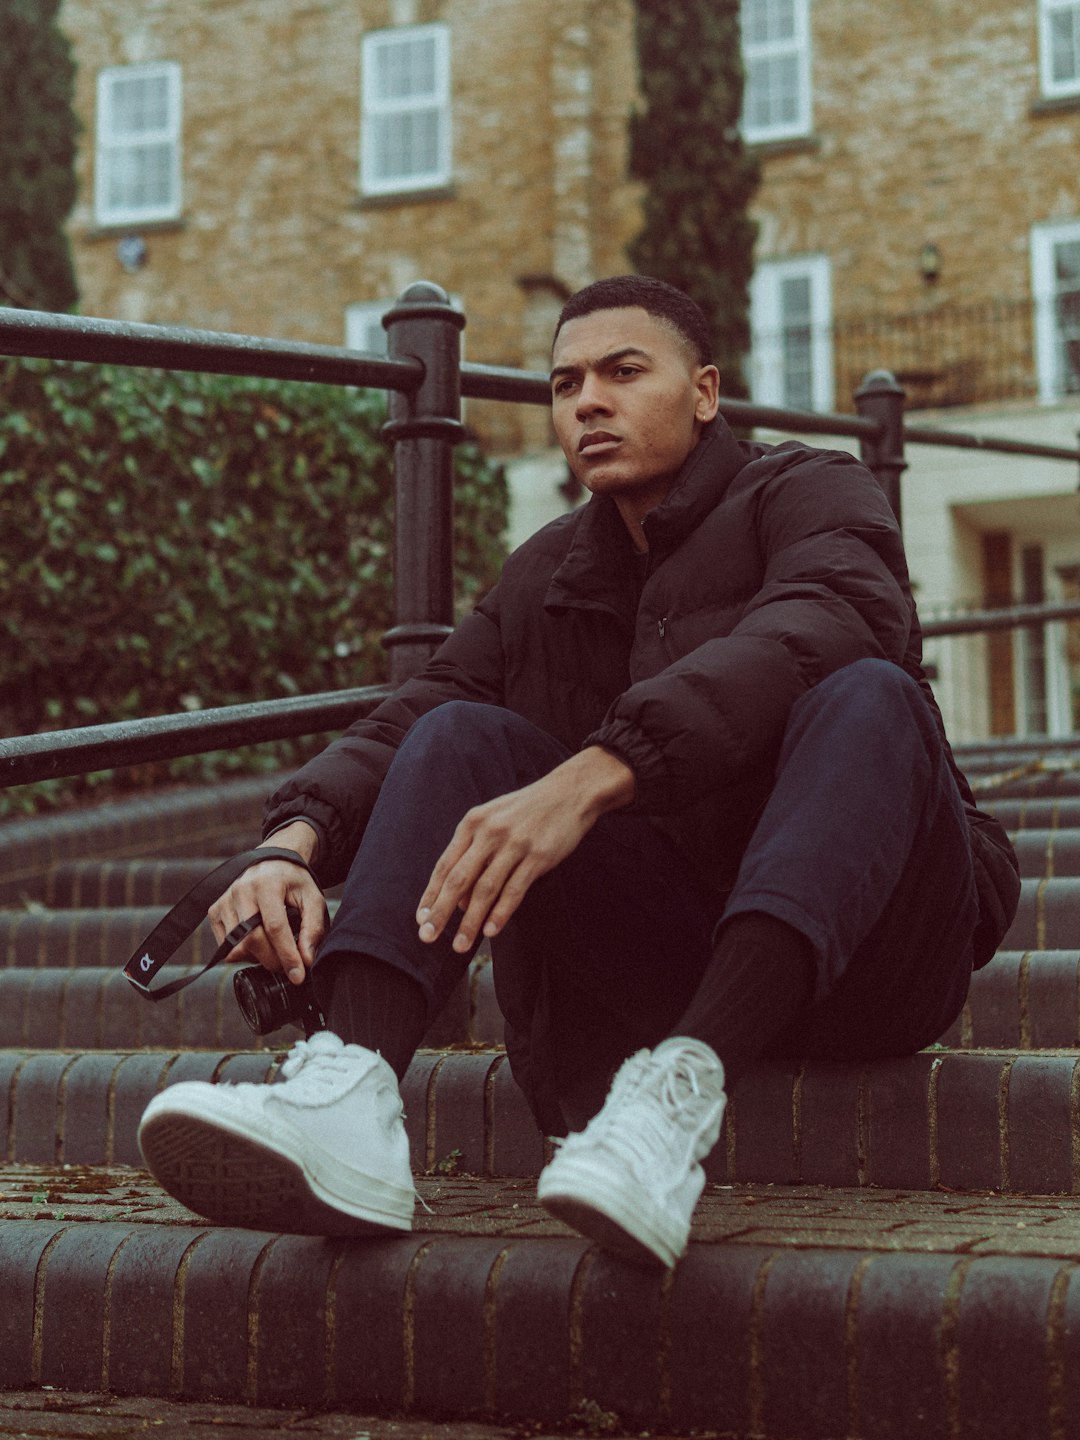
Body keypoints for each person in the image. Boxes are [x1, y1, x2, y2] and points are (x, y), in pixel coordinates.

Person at [138, 275, 1020, 1270]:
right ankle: (351, 1097)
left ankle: (674, 1103)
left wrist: (597, 772)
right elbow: (417, 715)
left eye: (621, 371)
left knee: (868, 694)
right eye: (563, 385)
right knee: (464, 733)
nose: (586, 401)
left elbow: (830, 620)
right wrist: (289, 843)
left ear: (704, 390)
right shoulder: (548, 572)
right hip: (672, 946)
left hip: (873, 951)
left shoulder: (814, 490)